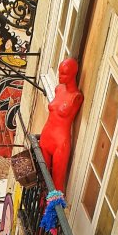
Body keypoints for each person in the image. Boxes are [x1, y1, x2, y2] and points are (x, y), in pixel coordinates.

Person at [38, 57, 84, 190]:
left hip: (60, 143)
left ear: (73, 74)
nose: (60, 76)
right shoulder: (58, 89)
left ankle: (52, 210)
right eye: (59, 72)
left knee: (57, 186)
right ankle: (40, 207)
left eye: (64, 73)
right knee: (42, 182)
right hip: (46, 137)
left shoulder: (76, 97)